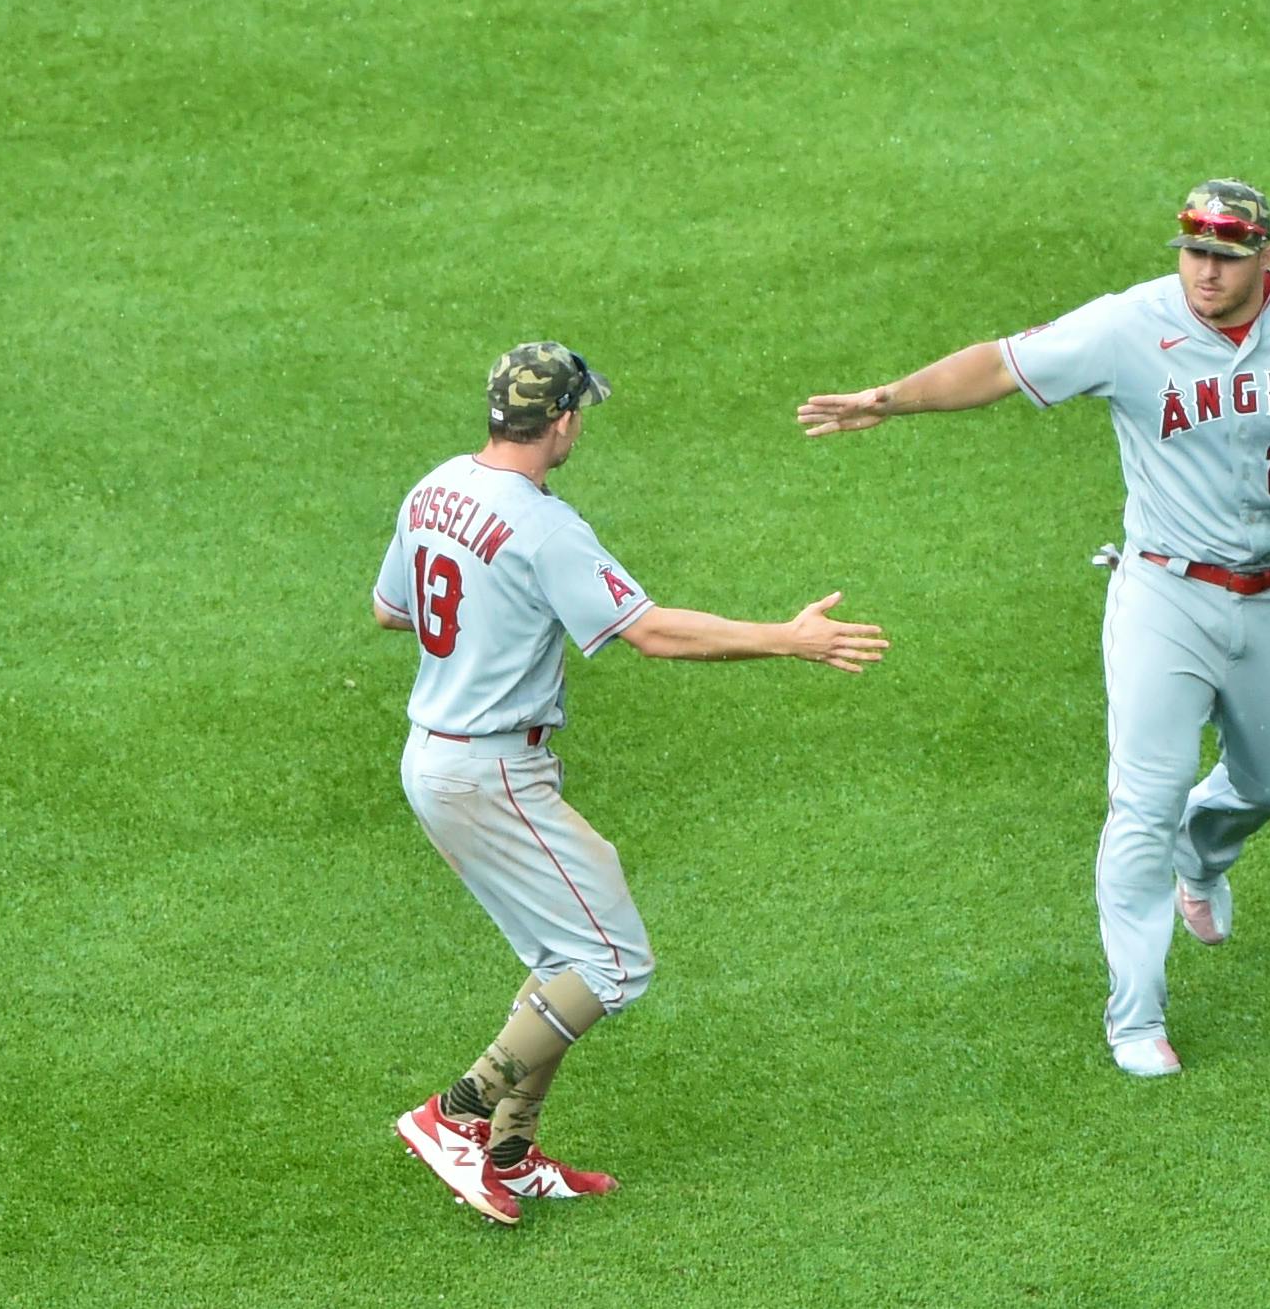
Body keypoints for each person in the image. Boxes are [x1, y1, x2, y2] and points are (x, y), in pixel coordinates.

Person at [798, 179, 1270, 1078]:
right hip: (1164, 595)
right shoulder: (1131, 324)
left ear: (1266, 259)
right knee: (1142, 802)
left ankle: (1200, 858)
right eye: (1193, 252)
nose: (1205, 271)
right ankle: (1136, 1018)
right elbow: (1000, 364)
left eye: (1226, 256)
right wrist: (888, 399)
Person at [375, 341, 889, 1223]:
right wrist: (788, 637)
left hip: (438, 752)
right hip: (490, 769)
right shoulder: (542, 526)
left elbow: (392, 607)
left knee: (561, 960)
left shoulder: (434, 486)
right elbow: (649, 631)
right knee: (614, 964)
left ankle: (511, 1147)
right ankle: (453, 1115)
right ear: (563, 420)